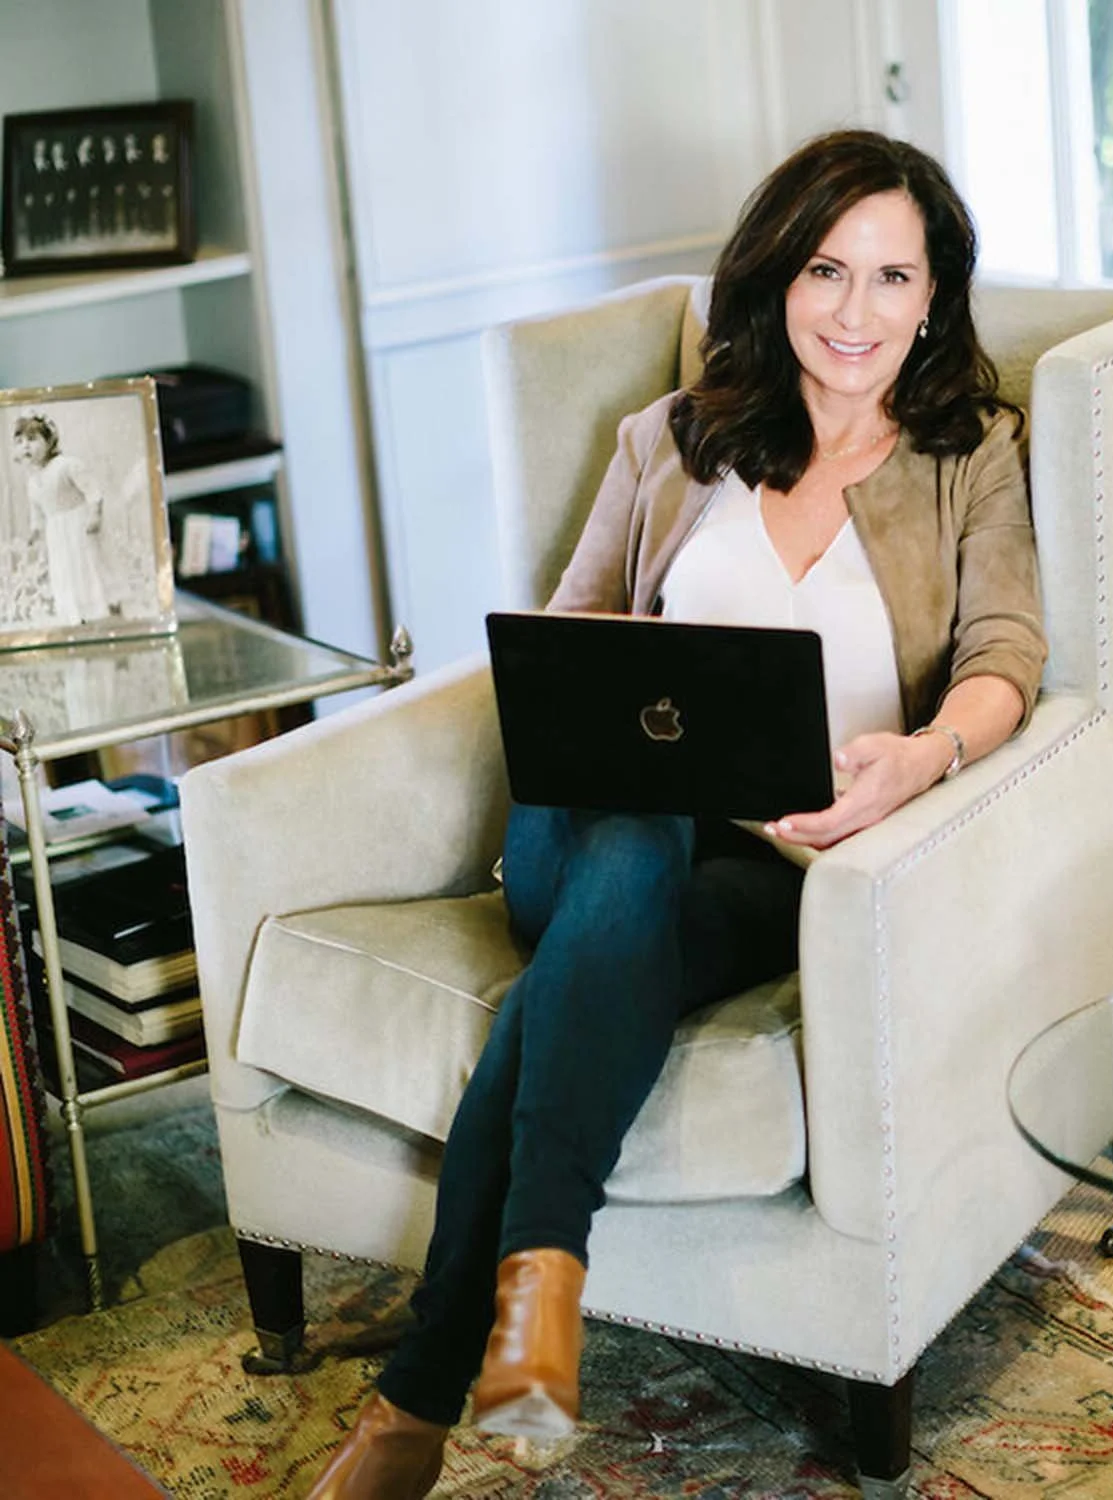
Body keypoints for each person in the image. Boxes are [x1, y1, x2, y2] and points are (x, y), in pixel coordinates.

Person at [306, 128, 1046, 1500]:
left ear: (934, 295)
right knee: (636, 838)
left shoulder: (971, 454)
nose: (856, 310)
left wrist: (925, 755)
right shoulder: (672, 438)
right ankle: (521, 1315)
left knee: (567, 989)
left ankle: (437, 1372)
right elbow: (567, 638)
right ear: (777, 277)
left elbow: (1006, 654)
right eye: (826, 270)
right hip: (586, 831)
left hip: (780, 863)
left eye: (893, 277)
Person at [12, 414, 115, 627]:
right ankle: (74, 613)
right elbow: (37, 512)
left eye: (32, 439)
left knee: (83, 566)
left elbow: (92, 491)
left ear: (49, 441)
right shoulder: (32, 482)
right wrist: (34, 532)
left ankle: (95, 608)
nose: (26, 446)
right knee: (64, 570)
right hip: (56, 532)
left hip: (78, 525)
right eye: (20, 442)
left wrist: (95, 514)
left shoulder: (66, 465)